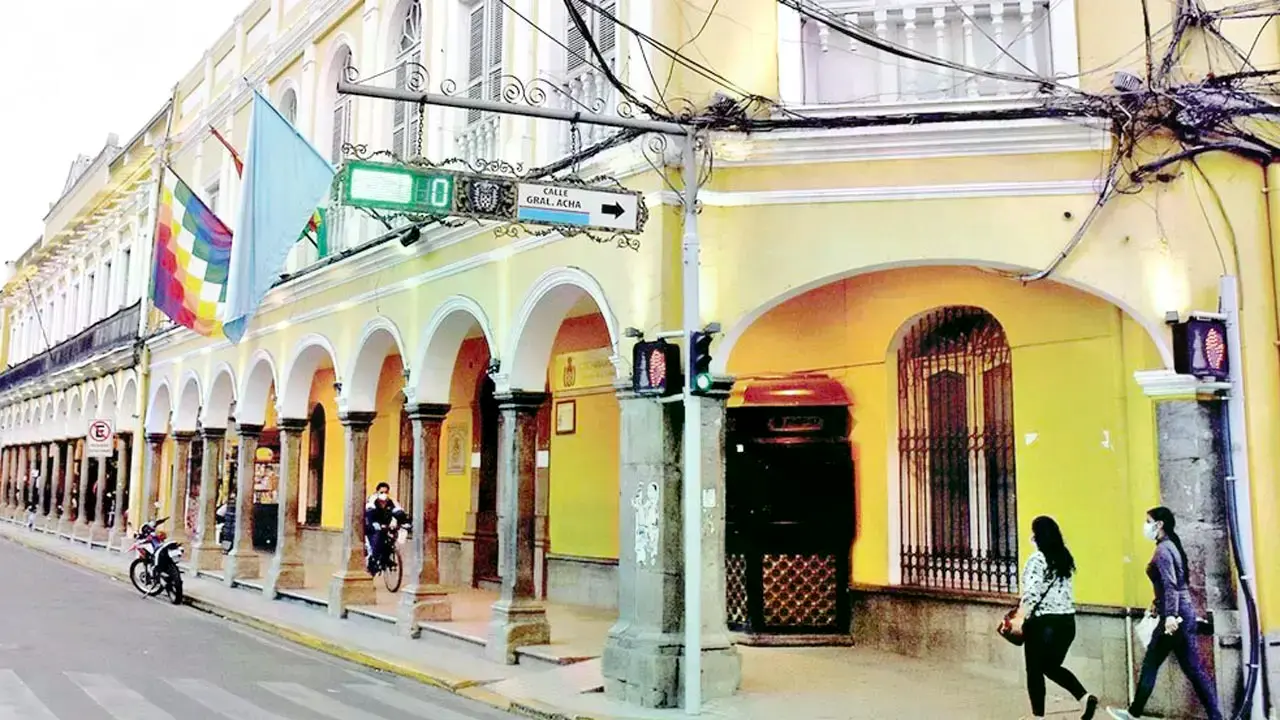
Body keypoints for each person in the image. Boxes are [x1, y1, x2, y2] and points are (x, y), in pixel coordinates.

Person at [1107, 507, 1223, 720]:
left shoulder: (1163, 551)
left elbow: (1171, 585)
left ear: (1159, 524)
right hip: (1183, 614)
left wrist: (1169, 615)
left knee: (1152, 662)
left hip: (1175, 617)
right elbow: (1174, 584)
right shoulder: (1170, 546)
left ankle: (1133, 713)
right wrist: (1157, 602)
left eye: (1148, 521)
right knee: (1193, 669)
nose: (1146, 525)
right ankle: (1216, 716)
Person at [1011, 516, 1098, 720]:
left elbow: (1032, 593)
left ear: (1038, 535)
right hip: (1067, 623)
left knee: (1034, 670)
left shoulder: (1037, 559)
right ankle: (1084, 697)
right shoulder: (1064, 557)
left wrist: (1019, 619)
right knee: (1050, 667)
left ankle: (1037, 717)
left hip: (1043, 624)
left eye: (1034, 532)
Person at [364, 482, 407, 574]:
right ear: (377, 492)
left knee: (390, 540)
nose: (384, 494)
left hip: (385, 526)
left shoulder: (391, 501)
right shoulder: (372, 501)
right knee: (376, 541)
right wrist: (374, 524)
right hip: (372, 527)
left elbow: (398, 511)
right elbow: (369, 514)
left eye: (386, 492)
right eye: (382, 492)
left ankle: (386, 558)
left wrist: (404, 521)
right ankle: (372, 562)